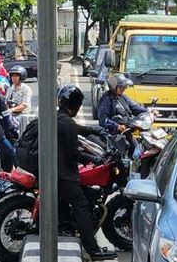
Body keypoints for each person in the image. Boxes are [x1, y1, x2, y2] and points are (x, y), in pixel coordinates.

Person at [57, 85, 116, 261]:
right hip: (61, 172)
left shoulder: (59, 116)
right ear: (76, 105)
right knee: (81, 204)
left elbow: (76, 128)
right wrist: (93, 159)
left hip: (52, 168)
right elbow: (72, 154)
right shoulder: (66, 122)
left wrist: (93, 129)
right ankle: (93, 249)